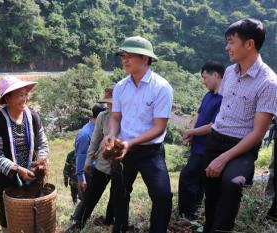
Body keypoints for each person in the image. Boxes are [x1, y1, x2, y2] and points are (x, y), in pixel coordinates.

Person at [202, 18, 277, 232]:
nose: (227, 47)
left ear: (249, 44)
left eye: (231, 42)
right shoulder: (230, 73)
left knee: (232, 184)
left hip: (242, 145)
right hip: (216, 138)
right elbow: (225, 110)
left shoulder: (269, 83)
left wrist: (224, 158)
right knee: (211, 190)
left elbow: (258, 133)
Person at [103, 36, 174, 233]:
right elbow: (116, 117)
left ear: (145, 59)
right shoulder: (120, 87)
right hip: (123, 150)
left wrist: (131, 143)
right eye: (123, 56)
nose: (124, 60)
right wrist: (111, 134)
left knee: (162, 195)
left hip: (151, 151)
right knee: (120, 192)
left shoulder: (161, 87)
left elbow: (159, 127)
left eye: (130, 56)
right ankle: (120, 228)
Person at [0, 75, 49, 233]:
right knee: (9, 215)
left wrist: (40, 160)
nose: (25, 98)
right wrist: (17, 169)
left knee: (33, 212)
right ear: (8, 98)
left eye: (25, 94)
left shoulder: (32, 116)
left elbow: (42, 142)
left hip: (32, 176)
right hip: (7, 179)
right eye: (20, 95)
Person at [178, 62, 224, 219]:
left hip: (207, 148)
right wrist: (191, 132)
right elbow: (198, 113)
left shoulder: (223, 98)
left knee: (187, 178)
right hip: (197, 146)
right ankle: (192, 214)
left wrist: (190, 131)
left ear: (216, 75)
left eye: (205, 77)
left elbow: (213, 126)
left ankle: (186, 214)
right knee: (195, 181)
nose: (204, 81)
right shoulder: (208, 94)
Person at [66, 103, 106, 231]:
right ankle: (75, 222)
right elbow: (80, 157)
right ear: (99, 116)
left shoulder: (99, 128)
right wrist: (81, 177)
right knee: (86, 199)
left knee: (88, 198)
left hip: (97, 169)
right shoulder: (85, 134)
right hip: (87, 172)